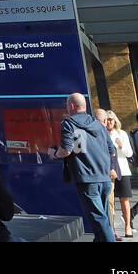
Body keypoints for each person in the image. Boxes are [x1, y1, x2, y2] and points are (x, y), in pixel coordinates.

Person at [50, 93, 117, 243]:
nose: (67, 108)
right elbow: (112, 151)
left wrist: (54, 153)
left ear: (72, 106)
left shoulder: (69, 123)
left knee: (99, 220)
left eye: (67, 105)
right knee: (102, 219)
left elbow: (66, 150)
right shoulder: (98, 125)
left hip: (87, 179)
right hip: (104, 179)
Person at [104, 110, 135, 239]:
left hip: (122, 169)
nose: (109, 122)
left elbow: (129, 153)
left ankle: (128, 226)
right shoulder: (102, 134)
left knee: (124, 199)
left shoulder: (121, 134)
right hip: (109, 171)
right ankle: (112, 229)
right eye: (107, 119)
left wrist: (121, 145)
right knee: (110, 201)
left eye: (111, 119)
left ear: (115, 121)